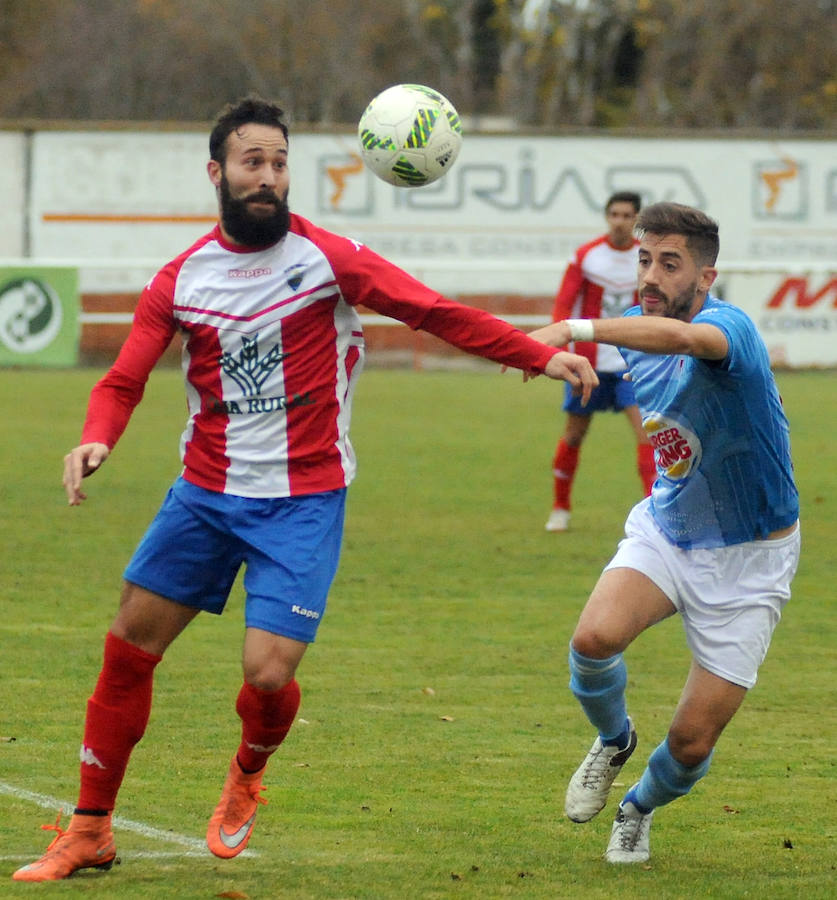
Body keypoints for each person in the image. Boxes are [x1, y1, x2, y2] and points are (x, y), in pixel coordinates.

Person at [12, 96, 597, 883]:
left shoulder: (328, 260)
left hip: (304, 498)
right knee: (128, 649)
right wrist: (96, 437)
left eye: (280, 164)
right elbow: (123, 377)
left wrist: (532, 352)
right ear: (217, 173)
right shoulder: (182, 277)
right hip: (205, 494)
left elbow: (430, 311)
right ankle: (88, 829)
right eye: (253, 163)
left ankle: (248, 769)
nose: (268, 178)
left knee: (267, 674)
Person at [528, 202, 800, 862]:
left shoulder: (725, 324)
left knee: (690, 745)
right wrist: (558, 358)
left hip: (750, 559)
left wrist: (572, 327)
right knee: (592, 640)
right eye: (644, 260)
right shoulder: (632, 338)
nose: (650, 275)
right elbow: (634, 354)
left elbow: (685, 342)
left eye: (669, 264)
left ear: (705, 275)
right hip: (670, 528)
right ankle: (613, 739)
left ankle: (638, 805)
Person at [545, 190, 655, 532]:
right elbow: (564, 304)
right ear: (607, 217)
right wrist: (561, 349)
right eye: (614, 215)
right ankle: (560, 507)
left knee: (648, 437)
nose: (620, 221)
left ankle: (655, 516)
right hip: (587, 364)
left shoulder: (647, 258)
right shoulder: (587, 257)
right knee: (574, 435)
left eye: (626, 215)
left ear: (637, 220)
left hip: (631, 366)